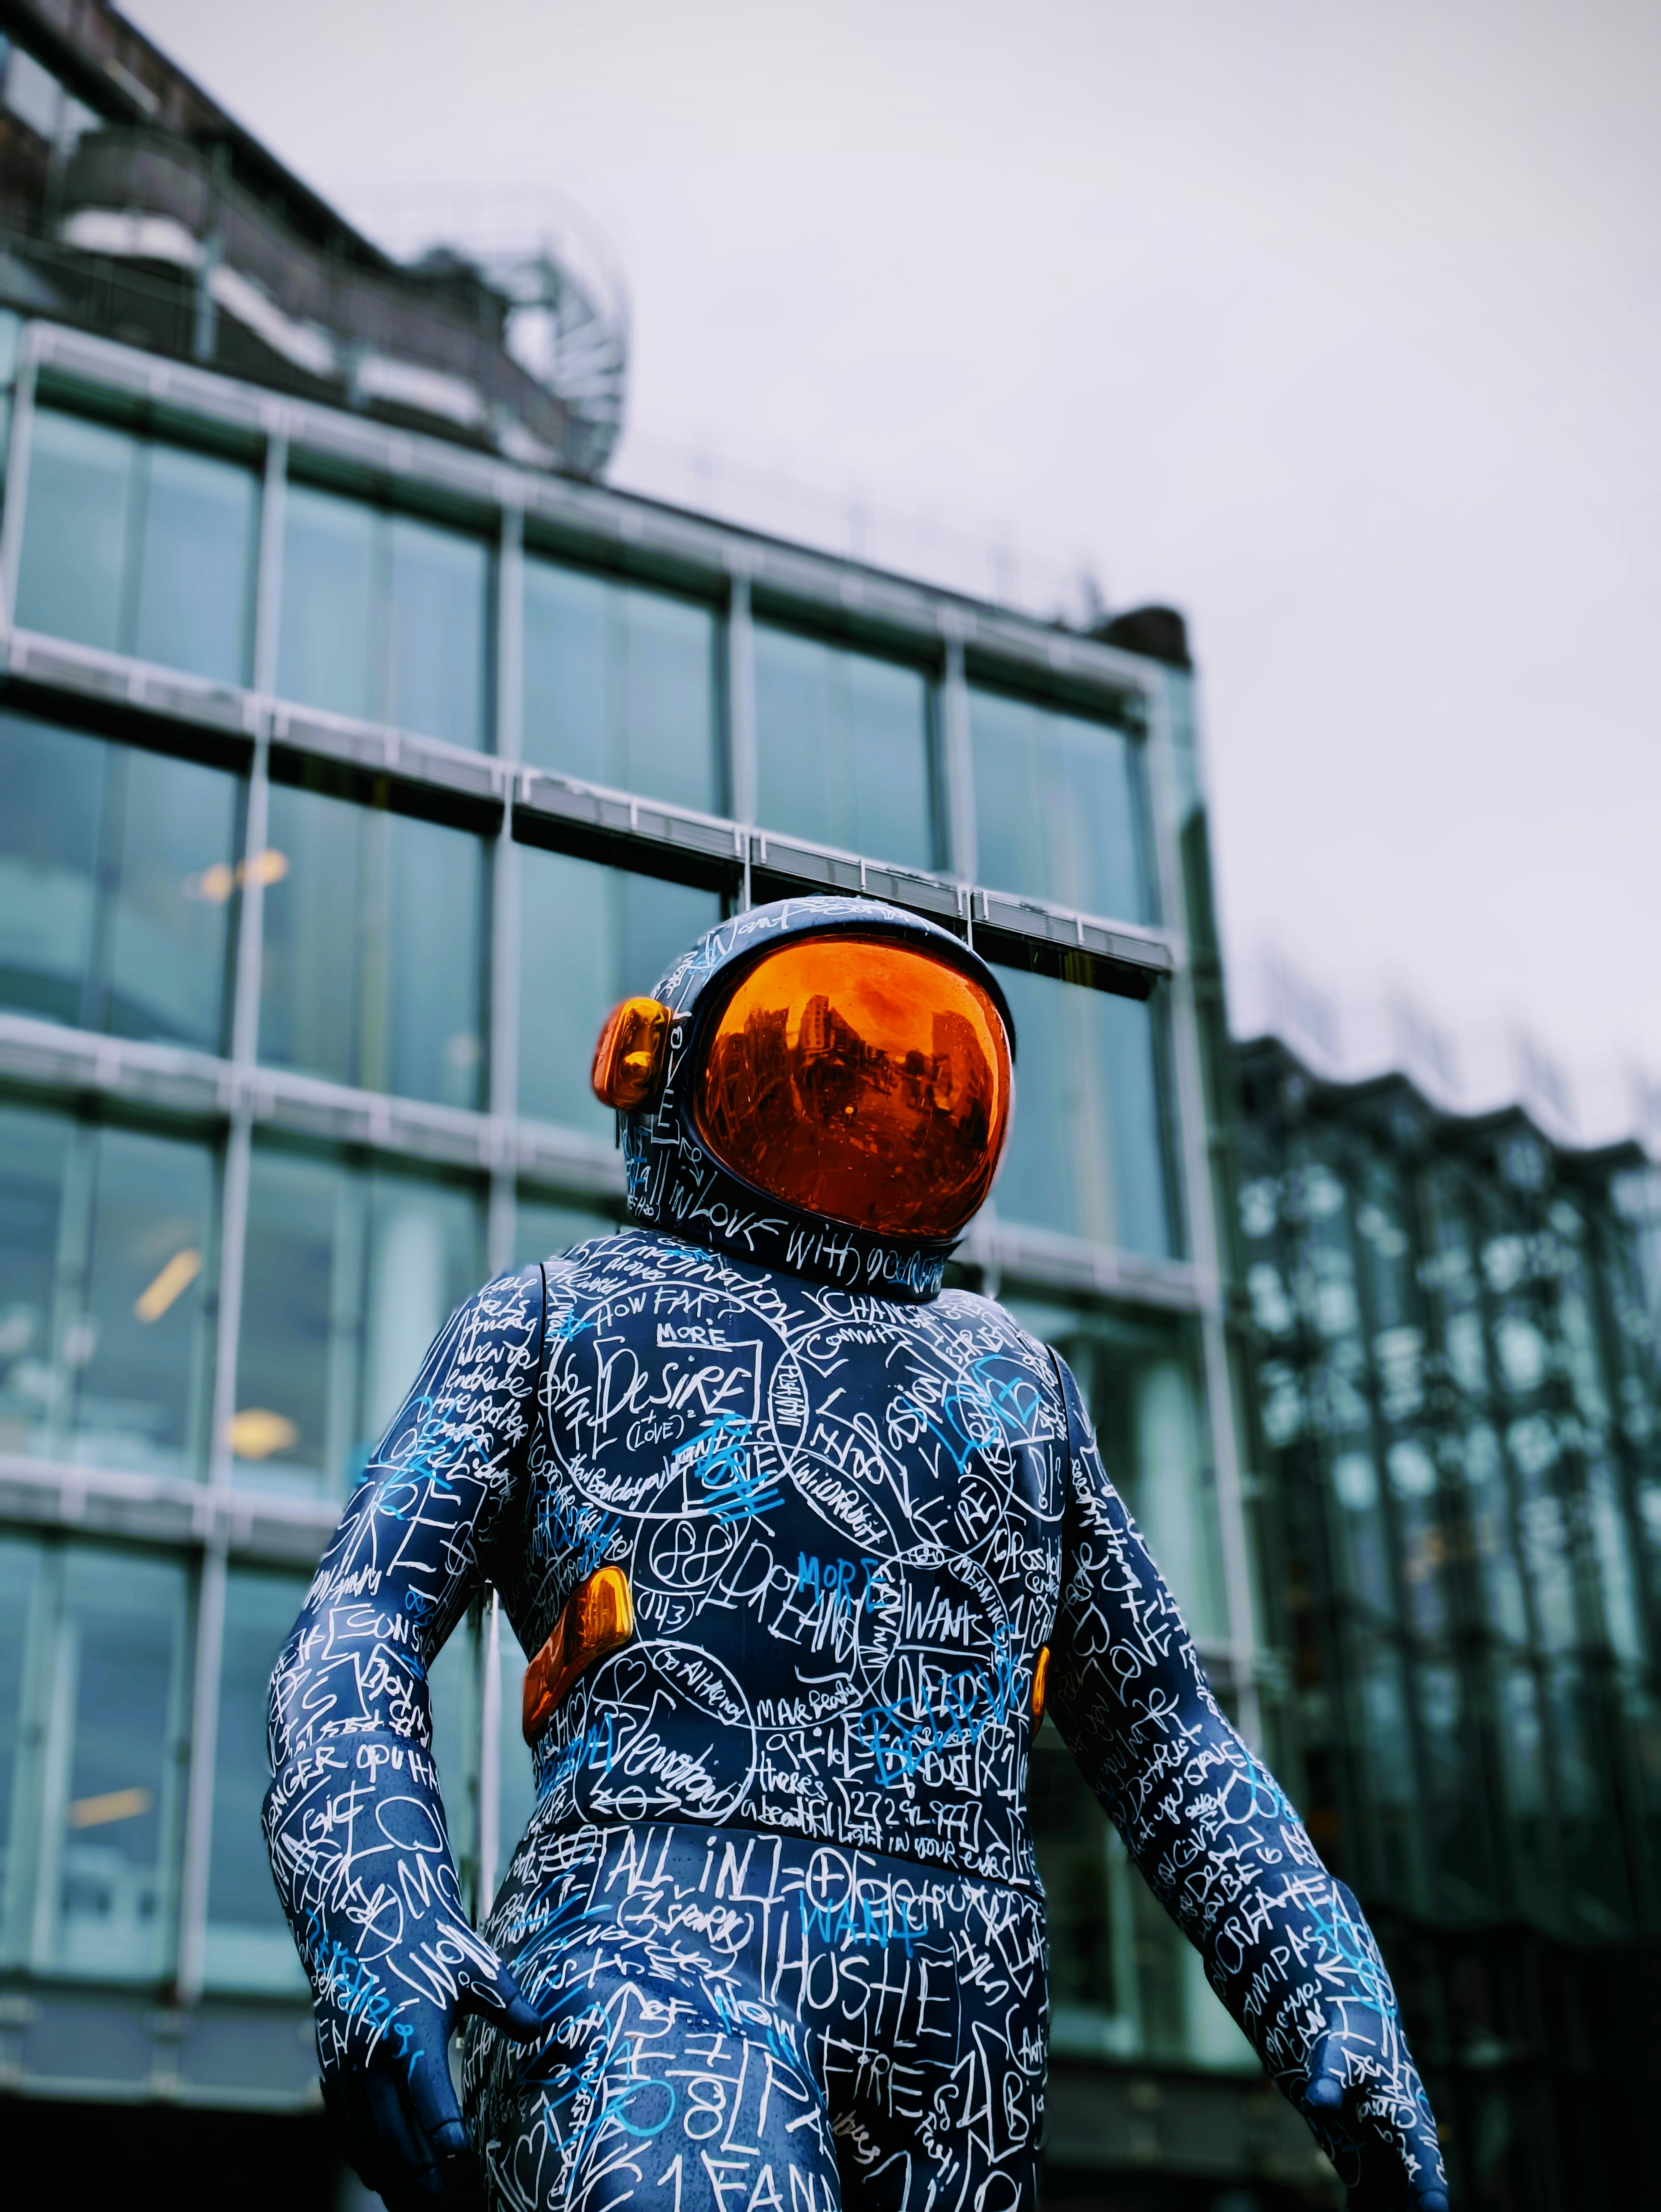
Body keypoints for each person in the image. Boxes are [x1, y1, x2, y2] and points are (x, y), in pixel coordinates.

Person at [266, 895, 1447, 2212]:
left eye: (925, 1076)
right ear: (657, 1067)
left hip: (962, 2029)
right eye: (823, 1058)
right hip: (657, 1962)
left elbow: (1165, 1730)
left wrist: (1333, 1995)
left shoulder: (1016, 1384)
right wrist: (380, 1915)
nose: (875, 1103)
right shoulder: (559, 1314)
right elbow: (361, 1623)